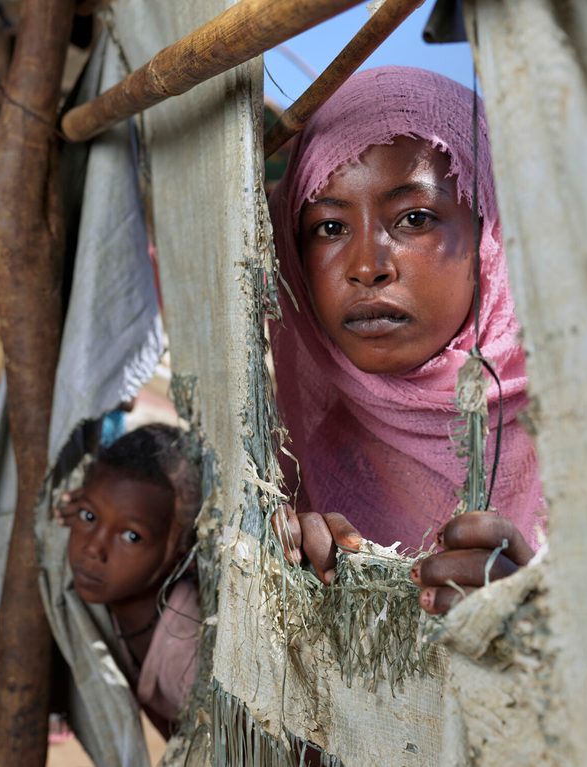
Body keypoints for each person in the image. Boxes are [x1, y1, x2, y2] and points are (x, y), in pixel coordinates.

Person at [268, 67, 544, 616]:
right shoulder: (288, 465)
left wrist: (542, 609)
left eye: (414, 218)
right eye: (329, 228)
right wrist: (299, 571)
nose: (366, 266)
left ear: (491, 231)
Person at [58, 423, 202, 738]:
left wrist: (94, 513)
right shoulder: (118, 603)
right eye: (88, 517)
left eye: (131, 536)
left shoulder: (185, 654)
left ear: (179, 551)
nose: (93, 549)